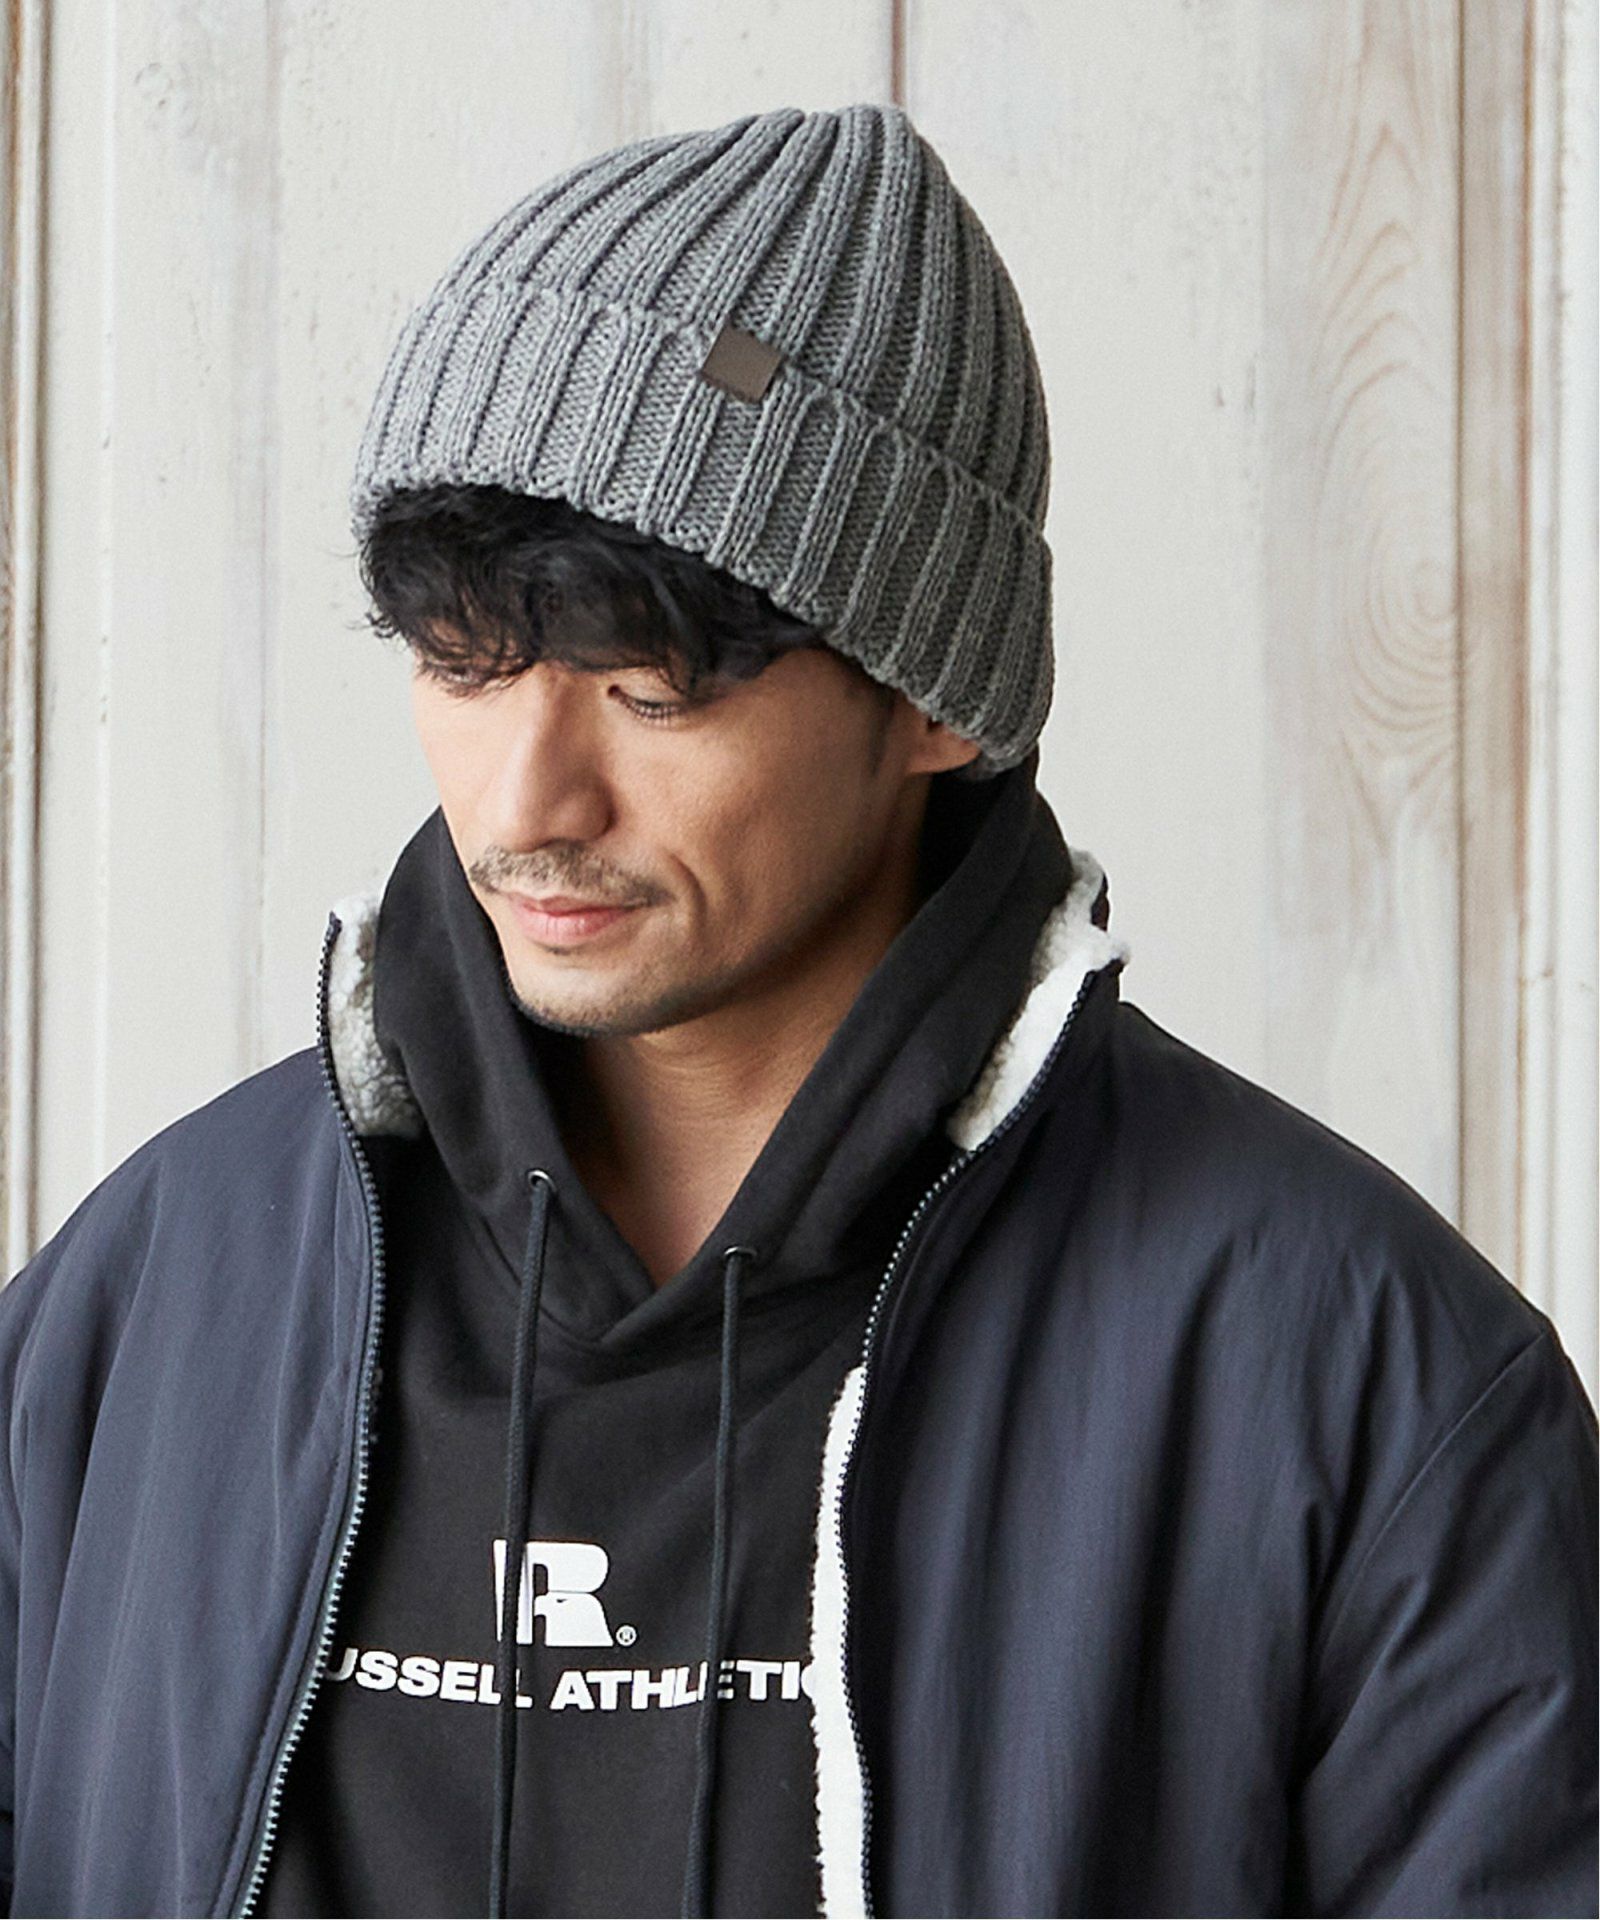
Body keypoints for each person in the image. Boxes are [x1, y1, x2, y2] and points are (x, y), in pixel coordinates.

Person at [0, 99, 1593, 1920]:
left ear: (938, 701)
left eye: (651, 687)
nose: (527, 802)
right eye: (465, 663)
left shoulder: (1356, 1377)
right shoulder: (154, 1302)